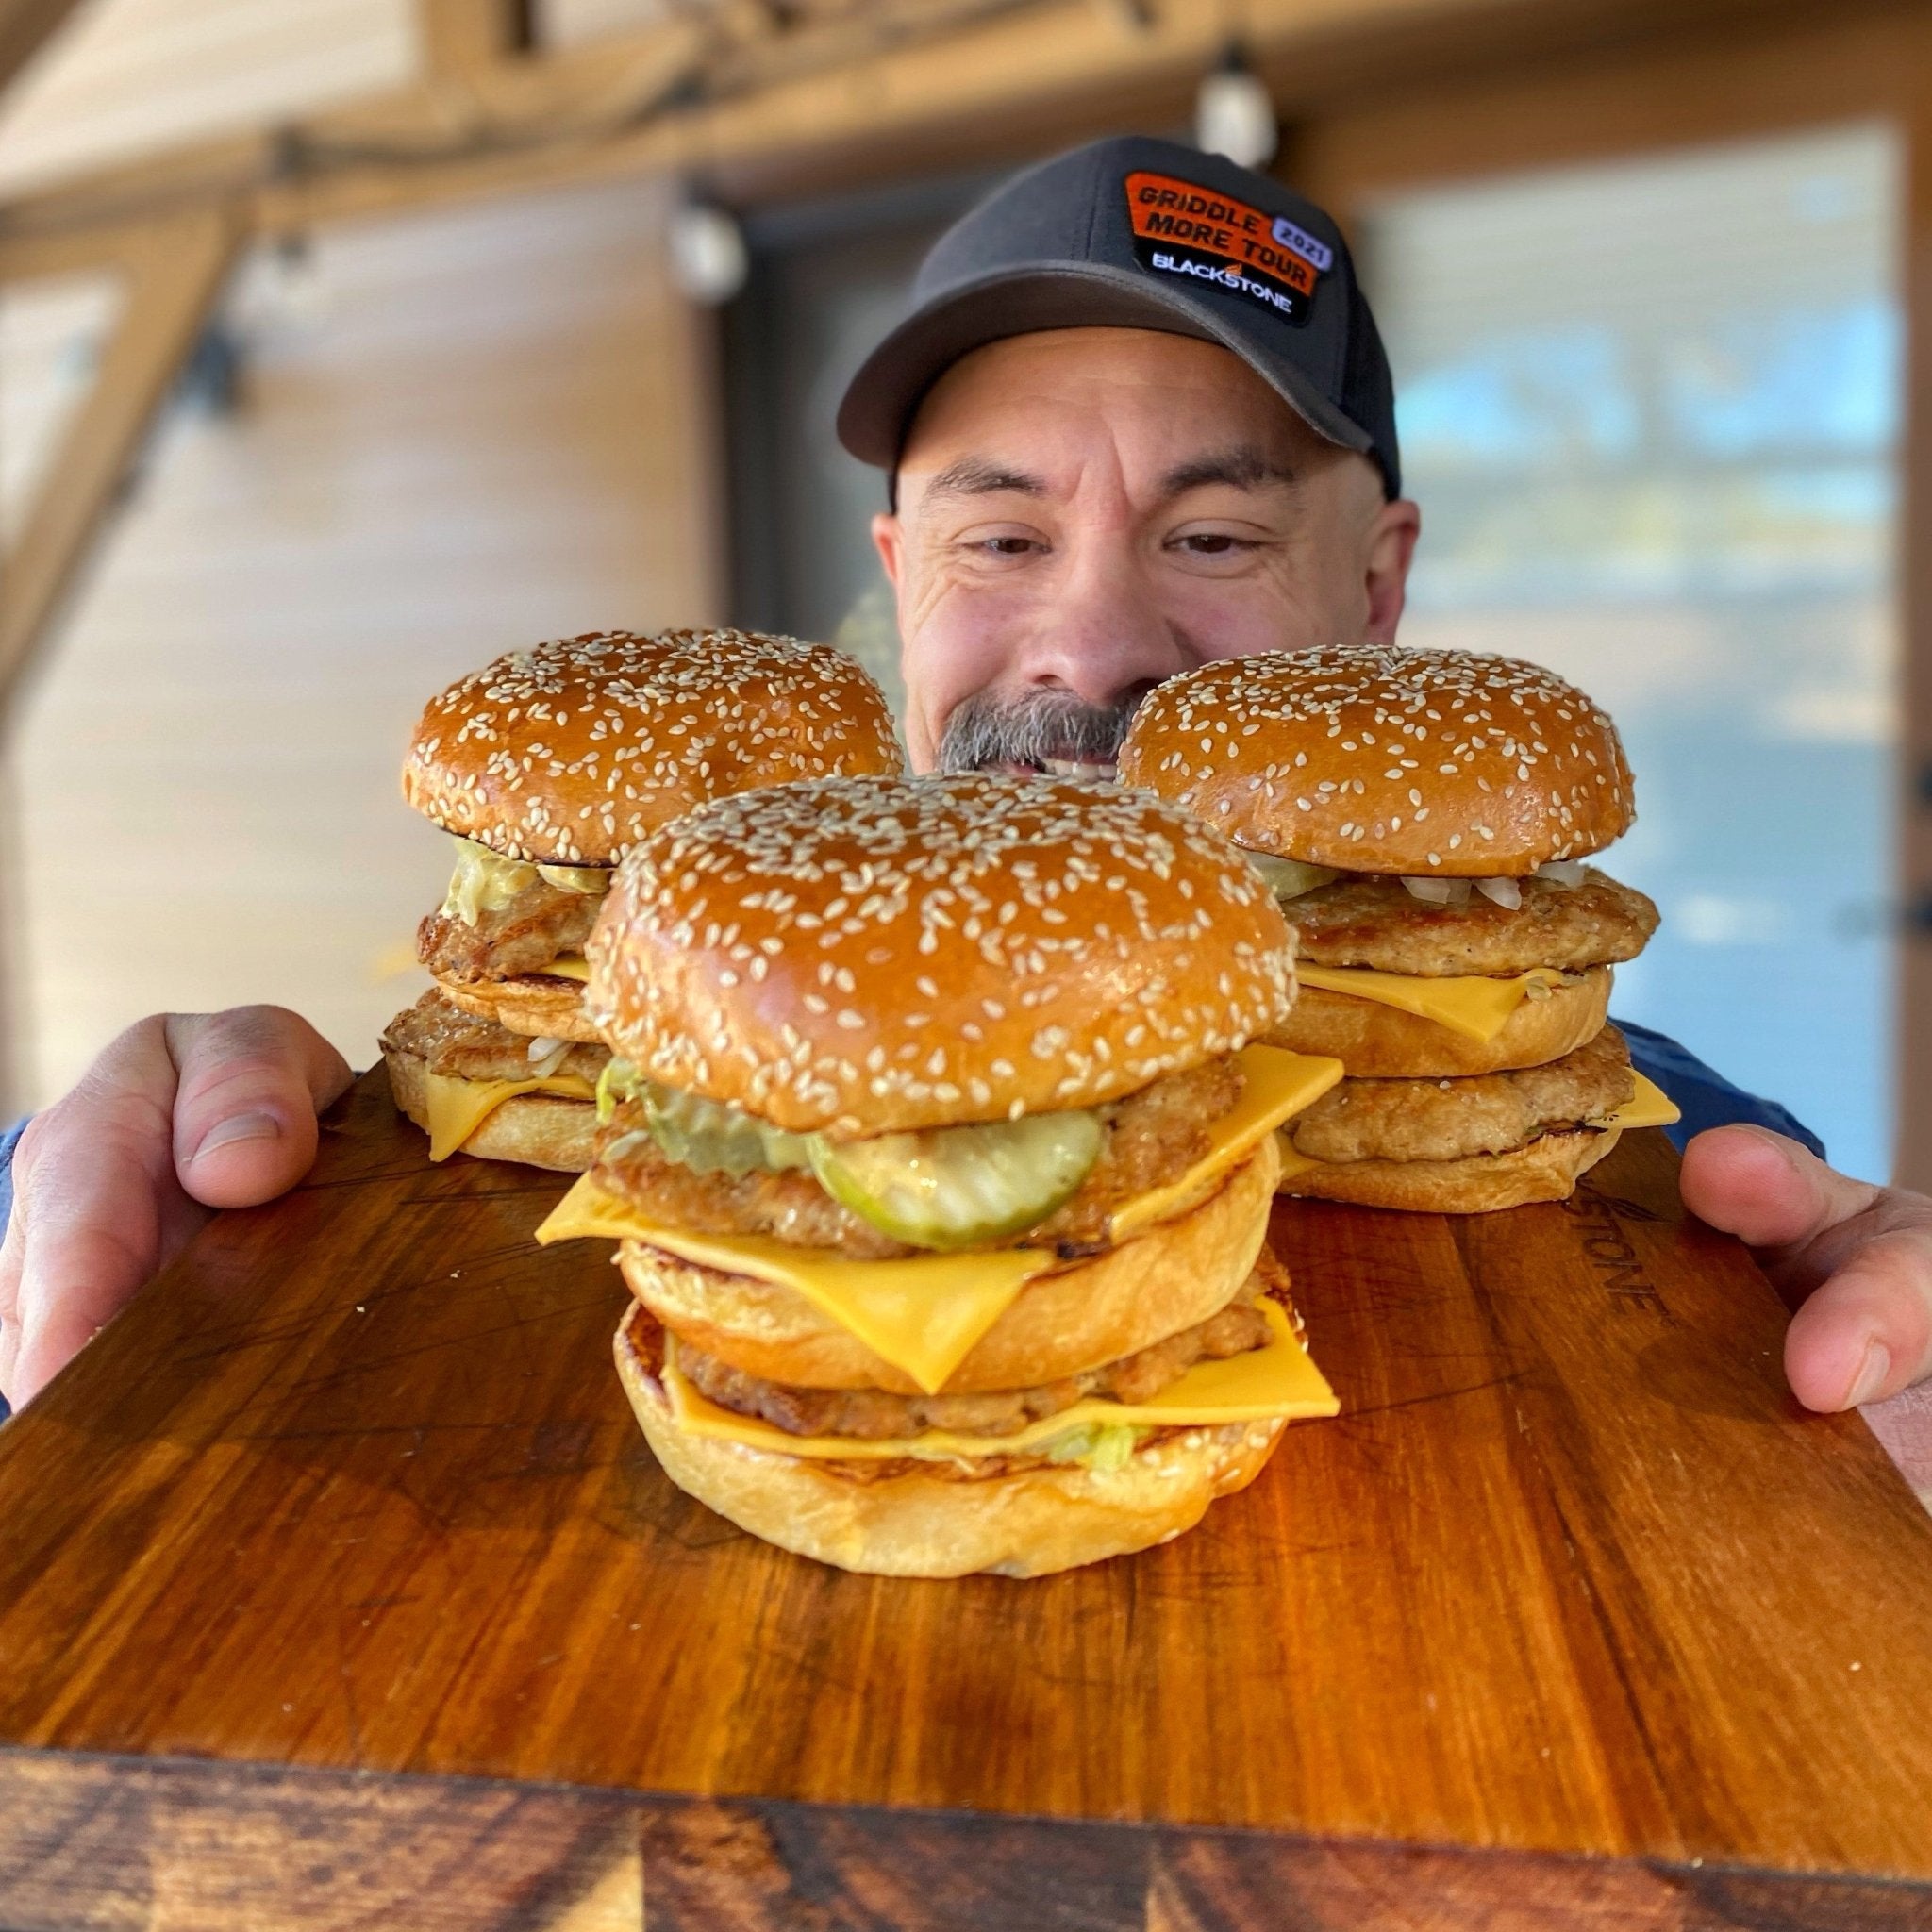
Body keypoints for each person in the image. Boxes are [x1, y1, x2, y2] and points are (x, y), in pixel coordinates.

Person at [4, 135, 1928, 1422]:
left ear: (1378, 588)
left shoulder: (1665, 1160)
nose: (1087, 650)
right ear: (898, 578)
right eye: (1000, 539)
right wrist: (70, 1197)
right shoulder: (614, 1084)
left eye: (1214, 537)